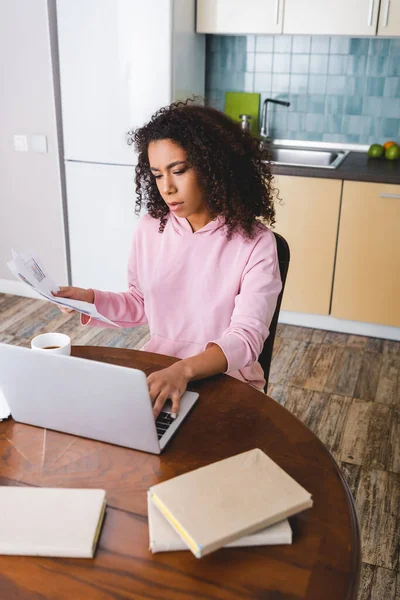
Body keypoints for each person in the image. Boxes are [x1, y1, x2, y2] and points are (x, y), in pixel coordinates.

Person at [54, 99, 282, 418]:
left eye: (178, 171)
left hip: (228, 382)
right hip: (161, 372)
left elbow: (245, 340)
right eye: (158, 175)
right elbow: (140, 302)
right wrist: (89, 299)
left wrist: (184, 371)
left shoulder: (255, 243)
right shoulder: (150, 229)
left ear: (213, 166)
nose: (168, 188)